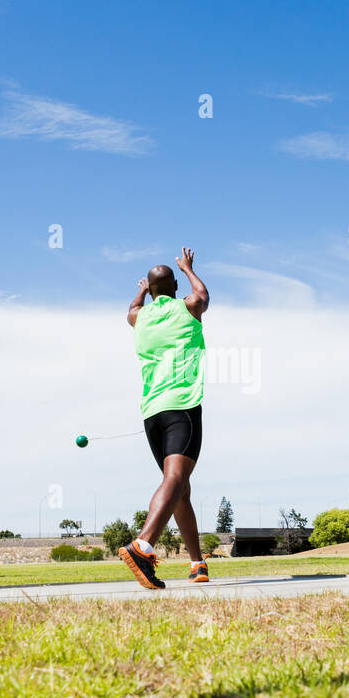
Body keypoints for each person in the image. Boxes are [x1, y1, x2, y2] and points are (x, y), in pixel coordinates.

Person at [118, 247, 209, 590]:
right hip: (182, 406)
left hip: (151, 414)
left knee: (179, 488)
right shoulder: (187, 307)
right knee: (175, 479)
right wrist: (186, 268)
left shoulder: (139, 318)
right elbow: (202, 294)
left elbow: (131, 308)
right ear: (173, 287)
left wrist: (142, 290)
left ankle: (197, 563)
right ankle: (142, 545)